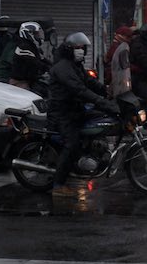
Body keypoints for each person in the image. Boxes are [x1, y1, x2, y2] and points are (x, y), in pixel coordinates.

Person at [48, 33, 119, 191]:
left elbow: (89, 82)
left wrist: (107, 91)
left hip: (75, 109)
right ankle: (58, 184)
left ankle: (95, 153)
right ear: (69, 50)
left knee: (103, 119)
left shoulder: (76, 65)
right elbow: (80, 90)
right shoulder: (63, 68)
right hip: (62, 113)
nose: (81, 51)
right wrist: (103, 102)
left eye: (82, 48)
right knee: (71, 144)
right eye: (77, 48)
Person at [9, 22, 49, 94]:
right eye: (36, 34)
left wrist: (53, 67)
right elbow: (35, 63)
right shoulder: (24, 47)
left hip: (29, 80)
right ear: (29, 34)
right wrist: (47, 69)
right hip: (20, 83)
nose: (39, 36)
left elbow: (43, 60)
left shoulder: (33, 47)